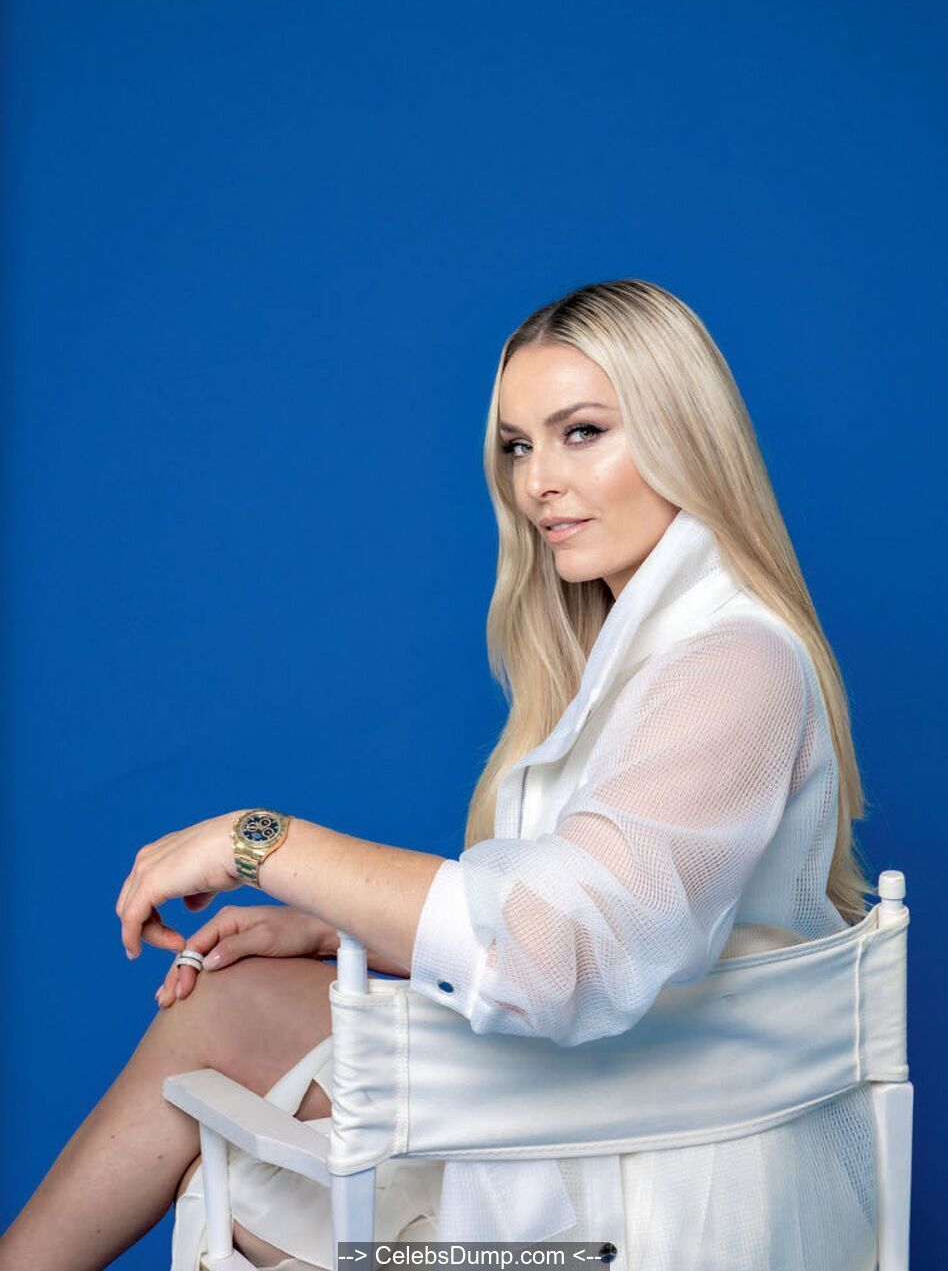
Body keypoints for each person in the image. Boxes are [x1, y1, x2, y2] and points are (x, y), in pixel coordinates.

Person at [0, 278, 878, 1271]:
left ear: (687, 435)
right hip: (618, 1099)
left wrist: (262, 842)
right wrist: (341, 925)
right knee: (225, 1017)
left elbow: (566, 951)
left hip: (656, 1168)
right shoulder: (655, 649)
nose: (538, 481)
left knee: (225, 1037)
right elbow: (595, 922)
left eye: (582, 432)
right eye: (518, 446)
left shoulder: (732, 661)